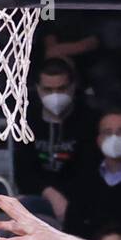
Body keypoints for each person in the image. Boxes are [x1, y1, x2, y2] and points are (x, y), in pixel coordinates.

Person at [13, 57, 98, 224]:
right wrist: (49, 193)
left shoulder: (89, 119)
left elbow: (90, 167)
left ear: (73, 87)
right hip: (38, 198)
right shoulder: (27, 121)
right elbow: (23, 171)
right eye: (48, 89)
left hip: (81, 198)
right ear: (38, 89)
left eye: (61, 89)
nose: (55, 96)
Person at [64, 110, 121, 240]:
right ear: (99, 140)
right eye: (108, 132)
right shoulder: (83, 182)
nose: (115, 138)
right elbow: (71, 230)